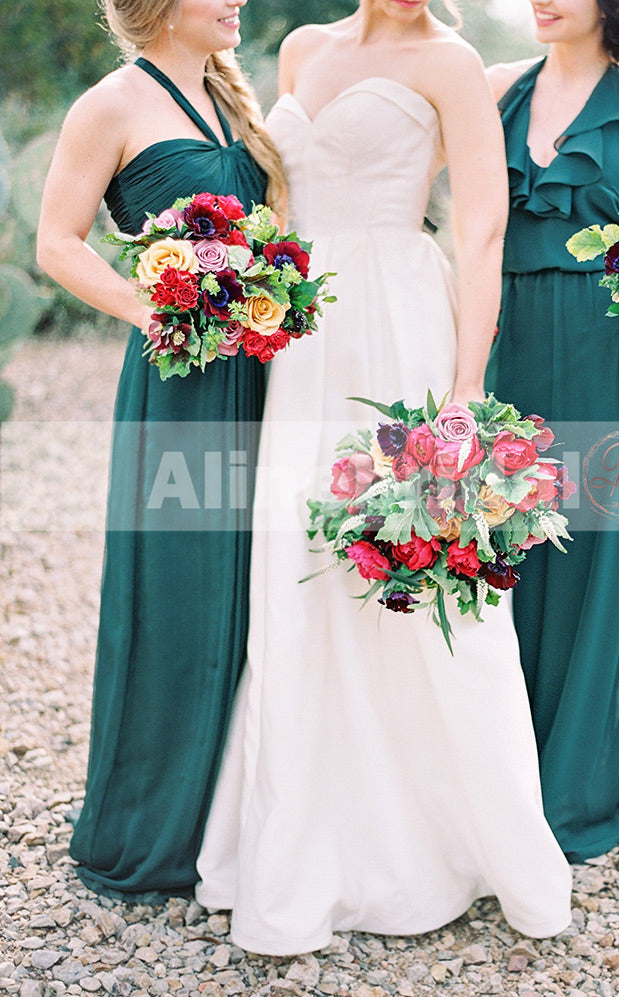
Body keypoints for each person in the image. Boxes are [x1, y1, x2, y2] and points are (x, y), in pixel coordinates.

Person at [195, 0, 572, 955]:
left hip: (399, 326)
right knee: (300, 576)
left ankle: (443, 839)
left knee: (406, 564)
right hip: (303, 337)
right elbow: (279, 205)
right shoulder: (301, 47)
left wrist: (465, 393)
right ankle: (304, 841)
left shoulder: (451, 62)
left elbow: (479, 233)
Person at [36, 0, 284, 898]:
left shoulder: (230, 96)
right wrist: (152, 308)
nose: (237, 1)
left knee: (256, 580)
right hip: (180, 382)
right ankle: (153, 825)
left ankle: (238, 820)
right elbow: (56, 241)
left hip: (261, 374)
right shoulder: (109, 103)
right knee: (179, 582)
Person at [483, 0, 619, 862]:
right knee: (502, 542)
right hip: (506, 343)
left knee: (598, 546)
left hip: (607, 361)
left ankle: (578, 778)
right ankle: (493, 769)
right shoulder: (493, 89)